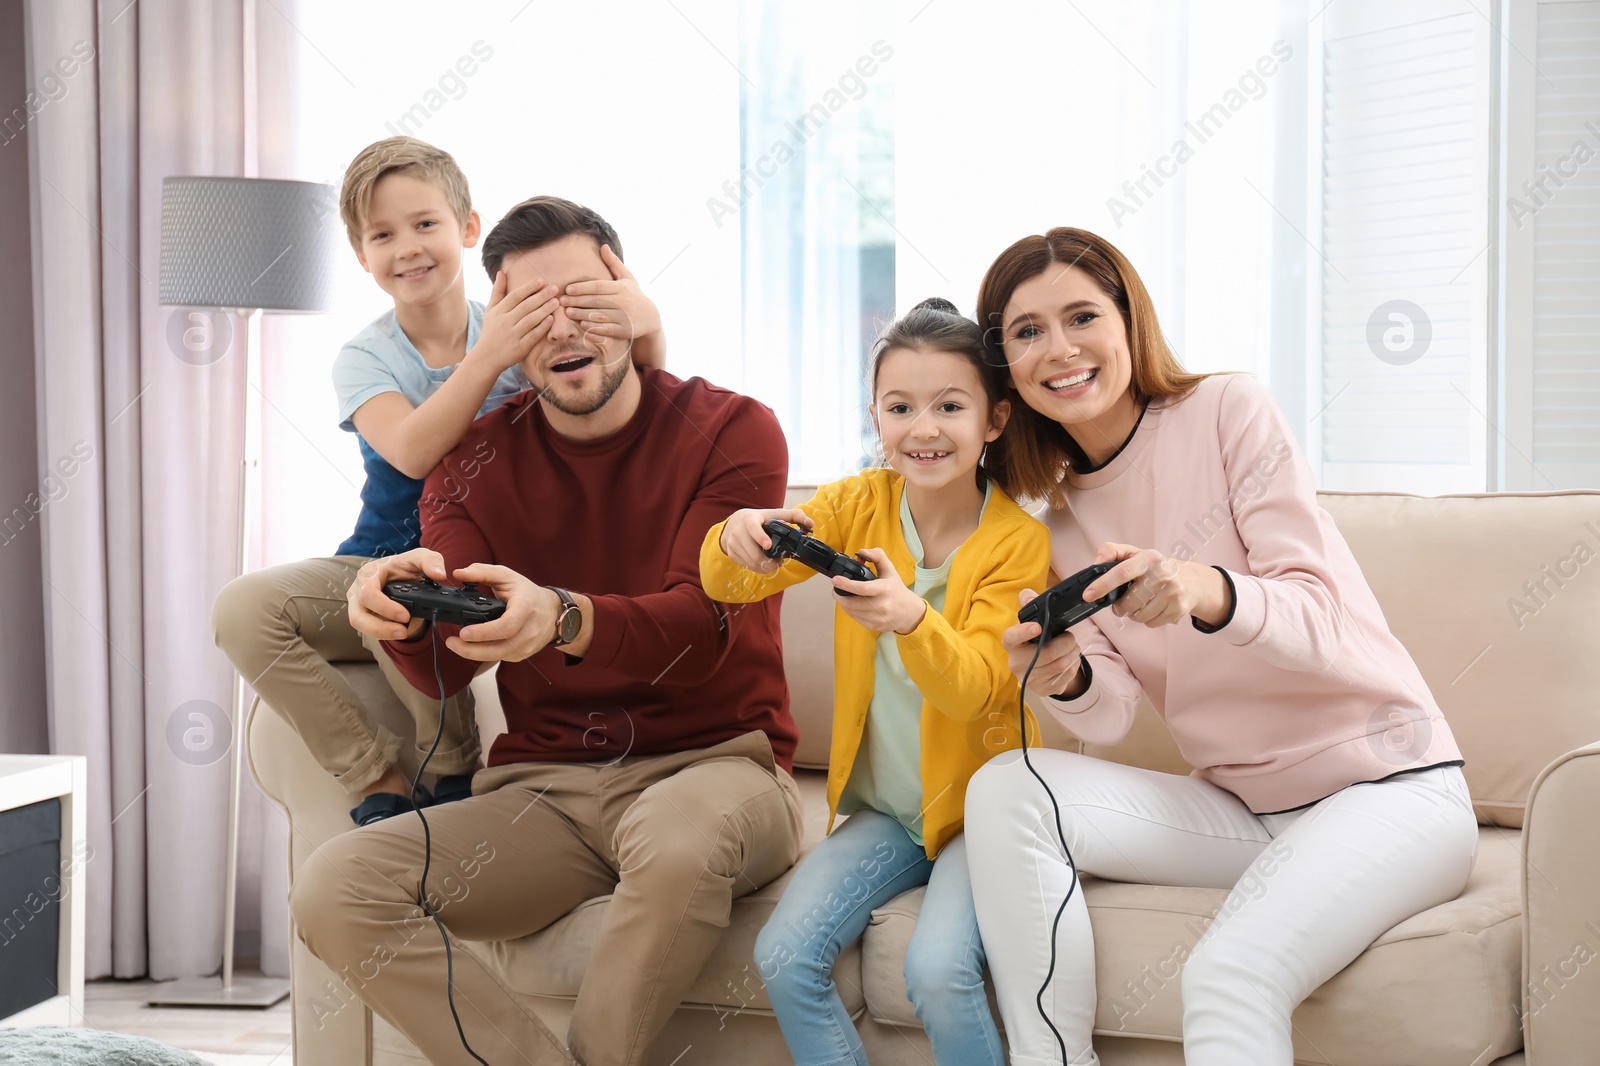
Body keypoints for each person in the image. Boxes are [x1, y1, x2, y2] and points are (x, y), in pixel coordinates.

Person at [289, 195, 802, 1066]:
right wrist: (400, 615)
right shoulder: (470, 461)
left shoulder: (730, 429)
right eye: (532, 307)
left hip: (718, 765)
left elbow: (700, 630)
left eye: (585, 298)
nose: (564, 325)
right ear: (503, 329)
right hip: (545, 793)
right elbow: (446, 671)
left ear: (629, 296)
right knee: (338, 888)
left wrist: (561, 618)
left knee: (678, 843)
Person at [962, 227, 1476, 1065]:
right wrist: (1067, 676)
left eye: (1082, 316)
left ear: (1130, 323)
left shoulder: (1227, 410)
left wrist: (1207, 589)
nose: (1059, 349)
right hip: (1244, 809)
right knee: (1011, 786)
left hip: (1390, 790)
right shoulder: (1057, 524)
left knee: (1230, 976)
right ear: (1005, 367)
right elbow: (1113, 711)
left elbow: (1323, 620)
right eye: (1026, 332)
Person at [211, 137, 662, 826]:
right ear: (364, 259)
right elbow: (413, 452)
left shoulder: (517, 331)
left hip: (490, 568)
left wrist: (647, 319)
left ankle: (452, 767)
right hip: (382, 559)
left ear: (468, 230)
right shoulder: (367, 358)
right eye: (383, 235)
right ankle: (375, 772)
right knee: (244, 608)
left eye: (426, 224)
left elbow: (630, 392)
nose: (409, 248)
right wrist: (488, 360)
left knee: (420, 599)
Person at [701, 298, 1050, 1065]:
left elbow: (975, 691)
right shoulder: (856, 505)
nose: (923, 428)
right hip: (887, 811)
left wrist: (909, 619)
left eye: (949, 406)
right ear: (876, 417)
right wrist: (733, 536)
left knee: (939, 970)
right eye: (901, 407)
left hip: (981, 810)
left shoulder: (1018, 543)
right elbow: (733, 585)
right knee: (785, 956)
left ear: (993, 420)